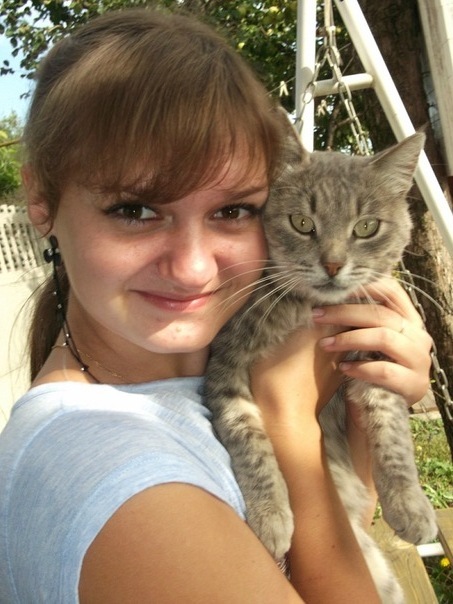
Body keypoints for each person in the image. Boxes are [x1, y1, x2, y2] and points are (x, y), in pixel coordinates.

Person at [0, 8, 432, 603]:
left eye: (233, 210)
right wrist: (288, 419)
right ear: (42, 202)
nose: (194, 267)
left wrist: (358, 410)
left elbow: (347, 523)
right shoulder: (116, 477)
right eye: (135, 210)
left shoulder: (201, 375)